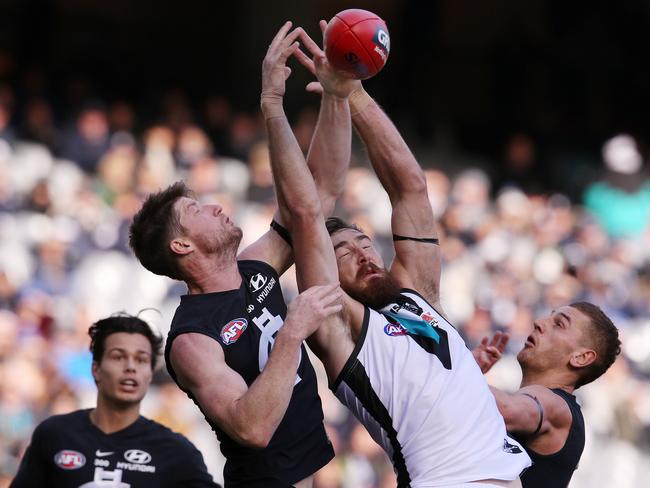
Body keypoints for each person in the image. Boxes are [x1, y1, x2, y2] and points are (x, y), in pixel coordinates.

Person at [263, 22, 531, 488]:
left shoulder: (418, 294)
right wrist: (303, 103)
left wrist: (353, 91)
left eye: (365, 243)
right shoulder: (336, 321)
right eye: (343, 252)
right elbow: (307, 213)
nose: (363, 253)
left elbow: (411, 188)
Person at [128, 22, 352, 488]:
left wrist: (337, 95)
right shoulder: (191, 340)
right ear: (182, 245)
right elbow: (251, 427)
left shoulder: (256, 268)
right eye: (195, 209)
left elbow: (318, 196)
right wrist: (292, 333)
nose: (213, 205)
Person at [10, 313, 220, 488]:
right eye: (118, 356)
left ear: (149, 374)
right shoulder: (54, 435)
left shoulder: (176, 451)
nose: (131, 367)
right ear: (96, 369)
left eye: (141, 359)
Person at [472, 303, 621, 488]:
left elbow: (505, 410)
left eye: (559, 324)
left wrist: (460, 366)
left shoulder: (558, 407)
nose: (539, 322)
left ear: (580, 357)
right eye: (549, 317)